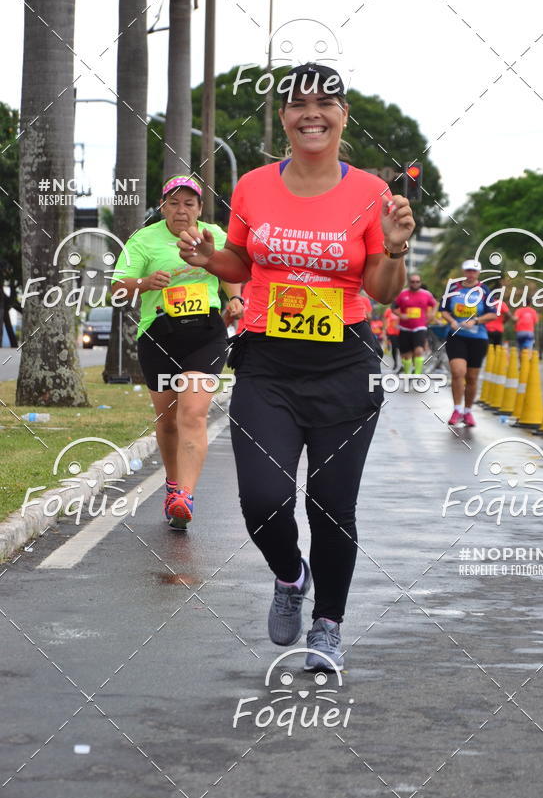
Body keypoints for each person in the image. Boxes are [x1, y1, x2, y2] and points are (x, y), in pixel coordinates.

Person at [177, 63, 415, 670]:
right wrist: (211, 258)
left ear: (343, 115)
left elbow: (383, 289)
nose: (312, 112)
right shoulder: (255, 186)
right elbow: (239, 262)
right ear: (281, 117)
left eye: (325, 102)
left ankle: (328, 625)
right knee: (262, 500)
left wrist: (392, 247)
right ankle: (289, 575)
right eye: (298, 103)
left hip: (345, 366)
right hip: (268, 365)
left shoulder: (370, 193)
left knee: (332, 506)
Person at [111, 175, 243, 528]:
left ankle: (185, 495)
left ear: (199, 208)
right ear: (163, 206)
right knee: (168, 422)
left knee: (193, 412)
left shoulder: (212, 234)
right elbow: (116, 291)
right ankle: (172, 485)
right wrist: (143, 283)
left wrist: (236, 298)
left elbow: (232, 269)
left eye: (189, 203)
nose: (181, 210)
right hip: (159, 335)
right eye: (174, 203)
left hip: (206, 334)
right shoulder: (144, 239)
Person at [440, 259, 499, 426]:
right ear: (464, 271)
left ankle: (467, 411)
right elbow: (443, 310)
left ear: (478, 273)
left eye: (474, 271)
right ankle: (456, 409)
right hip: (456, 336)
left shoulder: (485, 291)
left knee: (472, 377)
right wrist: (451, 320)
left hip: (478, 339)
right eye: (468, 270)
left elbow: (493, 314)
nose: (470, 274)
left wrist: (476, 321)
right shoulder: (453, 289)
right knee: (458, 372)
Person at [392, 273, 437, 375]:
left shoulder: (426, 294)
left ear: (420, 283)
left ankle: (417, 374)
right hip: (405, 328)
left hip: (420, 327)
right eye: (413, 282)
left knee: (419, 351)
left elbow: (435, 304)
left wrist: (433, 314)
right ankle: (408, 374)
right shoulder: (402, 294)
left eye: (417, 282)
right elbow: (393, 307)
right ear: (409, 282)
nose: (415, 284)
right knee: (406, 355)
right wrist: (401, 315)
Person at [383, 304, 400, 370]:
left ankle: (404, 365)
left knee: (403, 349)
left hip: (401, 332)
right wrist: (384, 330)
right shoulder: (389, 310)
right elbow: (384, 319)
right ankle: (395, 363)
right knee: (394, 348)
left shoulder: (403, 309)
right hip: (392, 332)